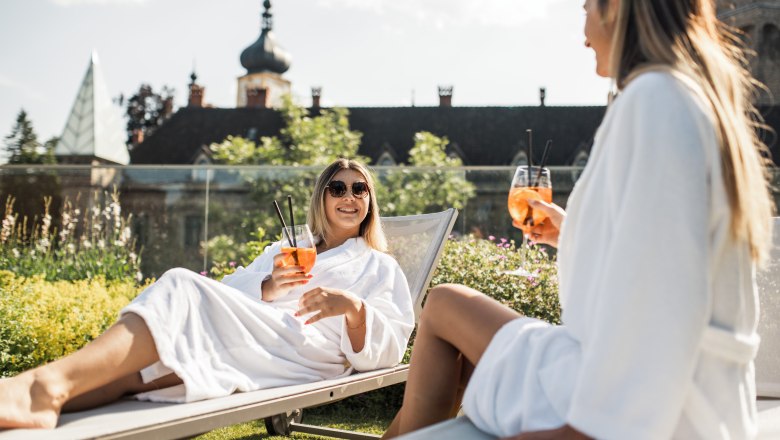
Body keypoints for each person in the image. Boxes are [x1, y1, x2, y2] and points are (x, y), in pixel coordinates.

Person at [385, 0, 774, 439]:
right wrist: (571, 230)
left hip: (645, 401)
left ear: (617, 9)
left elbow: (666, 310)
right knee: (444, 302)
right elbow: (662, 254)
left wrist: (583, 431)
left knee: (443, 307)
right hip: (653, 381)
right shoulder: (685, 99)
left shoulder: (655, 101)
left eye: (586, 7)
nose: (583, 32)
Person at [0, 158, 414, 429]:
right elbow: (227, 290)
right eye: (337, 189)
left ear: (370, 202)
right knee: (139, 375)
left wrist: (353, 307)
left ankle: (41, 387)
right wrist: (267, 285)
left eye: (359, 189)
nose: (349, 197)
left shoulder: (379, 266)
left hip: (300, 349)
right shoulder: (283, 250)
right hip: (247, 331)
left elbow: (391, 345)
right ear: (322, 198)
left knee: (181, 284)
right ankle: (38, 403)